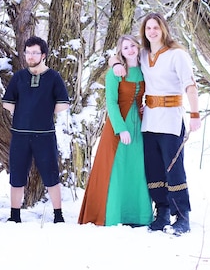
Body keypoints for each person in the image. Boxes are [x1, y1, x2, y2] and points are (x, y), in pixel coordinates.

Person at [111, 13, 201, 235]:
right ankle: (161, 211)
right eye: (148, 28)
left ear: (163, 29)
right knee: (153, 169)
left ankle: (182, 216)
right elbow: (116, 54)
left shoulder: (177, 55)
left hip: (170, 119)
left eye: (156, 27)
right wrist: (114, 64)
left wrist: (195, 114)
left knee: (174, 169)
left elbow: (190, 85)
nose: (152, 31)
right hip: (149, 120)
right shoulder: (142, 53)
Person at [78, 35, 153, 227]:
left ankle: (138, 215)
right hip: (118, 126)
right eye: (125, 47)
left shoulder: (145, 69)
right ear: (120, 51)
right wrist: (121, 129)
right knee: (116, 169)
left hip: (139, 124)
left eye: (132, 46)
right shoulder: (116, 72)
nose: (130, 50)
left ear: (138, 47)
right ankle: (113, 215)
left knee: (137, 169)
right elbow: (111, 103)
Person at [2, 36, 70, 224]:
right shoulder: (19, 77)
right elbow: (8, 103)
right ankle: (14, 215)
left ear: (44, 55)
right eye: (28, 52)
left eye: (35, 52)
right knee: (17, 175)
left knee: (51, 174)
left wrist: (43, 111)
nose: (30, 56)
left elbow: (63, 104)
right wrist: (24, 111)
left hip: (45, 134)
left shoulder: (53, 77)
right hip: (20, 134)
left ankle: (58, 215)